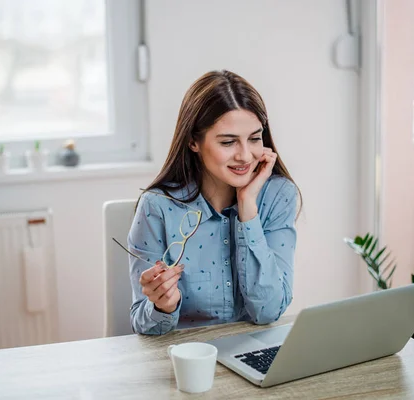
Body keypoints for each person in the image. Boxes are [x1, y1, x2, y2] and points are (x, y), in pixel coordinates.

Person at [125, 70, 301, 335]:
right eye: (228, 142)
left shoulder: (278, 195)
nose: (245, 156)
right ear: (193, 142)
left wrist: (247, 207)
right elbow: (142, 324)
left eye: (254, 138)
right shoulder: (156, 207)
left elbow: (268, 312)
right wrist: (163, 307)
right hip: (186, 359)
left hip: (252, 354)